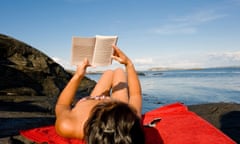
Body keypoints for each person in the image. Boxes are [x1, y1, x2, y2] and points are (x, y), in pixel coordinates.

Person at [55, 45, 145, 144]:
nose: (102, 103)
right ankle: (117, 72)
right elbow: (135, 95)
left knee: (109, 72)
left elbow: (62, 105)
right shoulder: (130, 123)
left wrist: (78, 76)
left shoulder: (67, 126)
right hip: (119, 106)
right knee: (119, 72)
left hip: (97, 100)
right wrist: (129, 64)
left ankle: (113, 72)